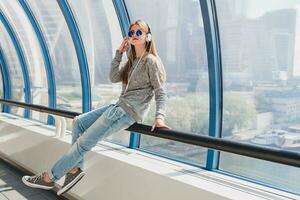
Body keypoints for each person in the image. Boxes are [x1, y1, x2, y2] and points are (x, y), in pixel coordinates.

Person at [21, 19, 170, 196]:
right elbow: (114, 77)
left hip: (125, 112)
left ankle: (49, 178)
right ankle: (75, 170)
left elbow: (161, 92)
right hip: (117, 106)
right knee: (78, 123)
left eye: (139, 32)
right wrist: (119, 53)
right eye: (132, 33)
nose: (135, 35)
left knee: (83, 144)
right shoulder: (132, 60)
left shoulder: (151, 61)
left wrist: (159, 117)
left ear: (148, 36)